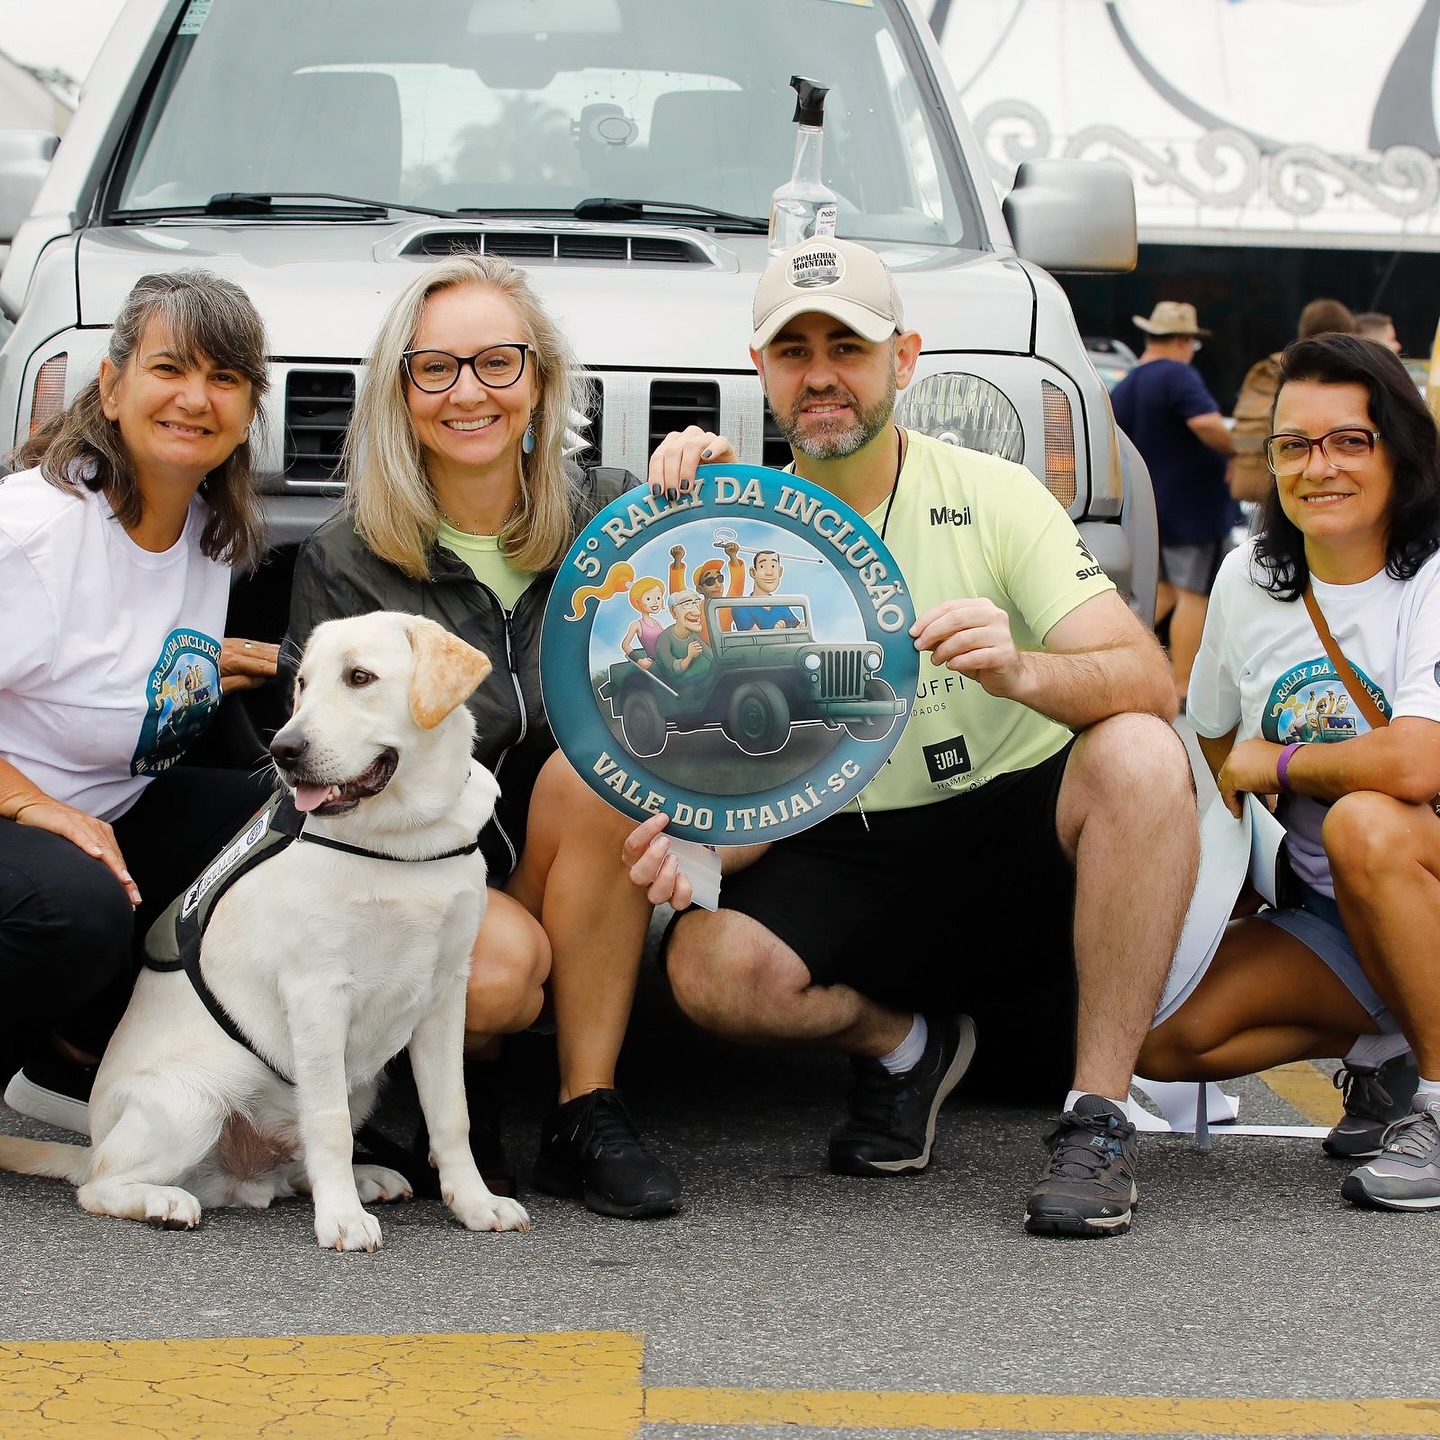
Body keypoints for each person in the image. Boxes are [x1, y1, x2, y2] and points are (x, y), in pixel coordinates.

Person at [629, 237, 1198, 1237]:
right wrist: (697, 837)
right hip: (835, 836)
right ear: (759, 370)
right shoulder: (730, 524)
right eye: (793, 350)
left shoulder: (994, 491)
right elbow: (712, 746)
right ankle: (904, 1046)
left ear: (906, 358)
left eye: (847, 347)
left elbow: (1148, 678)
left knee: (1142, 754)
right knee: (706, 970)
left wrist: (1022, 670)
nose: (821, 375)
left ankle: (1097, 1117)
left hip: (1005, 825)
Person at [283, 254, 680, 1218]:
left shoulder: (613, 513)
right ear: (402, 393)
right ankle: (456, 1089)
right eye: (436, 369)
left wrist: (699, 488)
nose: (469, 393)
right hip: (414, 862)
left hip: (564, 856)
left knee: (593, 774)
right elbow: (323, 767)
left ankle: (585, 1108)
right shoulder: (348, 556)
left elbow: (719, 632)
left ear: (541, 380)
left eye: (498, 363)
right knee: (498, 979)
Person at [1140, 334, 1440, 1210]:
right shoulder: (1248, 579)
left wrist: (1284, 761)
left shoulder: (1430, 575)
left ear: (1401, 450)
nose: (1320, 467)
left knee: (1365, 822)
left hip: (1412, 863)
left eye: (1350, 440)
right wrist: (1226, 879)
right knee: (1165, 1041)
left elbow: (1419, 761)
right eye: (1294, 445)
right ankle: (1393, 1045)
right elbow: (1208, 742)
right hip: (1332, 915)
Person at [0, 269, 280, 1130]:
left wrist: (230, 669)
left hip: (107, 814)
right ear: (113, 386)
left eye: (225, 379)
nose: (196, 398)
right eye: (170, 369)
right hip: (24, 824)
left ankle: (71, 1053)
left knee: (288, 821)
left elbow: (116, 675)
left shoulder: (205, 532)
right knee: (74, 906)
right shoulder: (35, 533)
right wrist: (36, 806)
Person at [1110, 301, 1238, 710]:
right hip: (1192, 509)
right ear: (1183, 341)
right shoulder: (1178, 375)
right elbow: (1205, 423)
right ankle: (1182, 684)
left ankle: (1122, 662)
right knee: (1192, 595)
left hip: (1151, 509)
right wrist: (1240, 450)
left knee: (1158, 592)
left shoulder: (1127, 384)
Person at [1229, 299, 1358, 505]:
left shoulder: (1271, 368)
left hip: (1262, 487)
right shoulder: (1338, 374)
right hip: (1304, 493)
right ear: (1347, 331)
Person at [650, 591, 713, 691]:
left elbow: (711, 656)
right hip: (689, 684)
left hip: (710, 676)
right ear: (674, 611)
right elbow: (674, 670)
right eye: (687, 604)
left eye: (696, 603)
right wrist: (689, 656)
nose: (698, 612)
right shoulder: (665, 639)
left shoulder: (692, 635)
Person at [730, 549, 801, 631]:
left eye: (773, 566)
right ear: (753, 572)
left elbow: (795, 624)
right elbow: (755, 639)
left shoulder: (781, 604)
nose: (769, 573)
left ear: (780, 572)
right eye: (762, 567)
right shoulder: (741, 608)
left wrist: (799, 627)